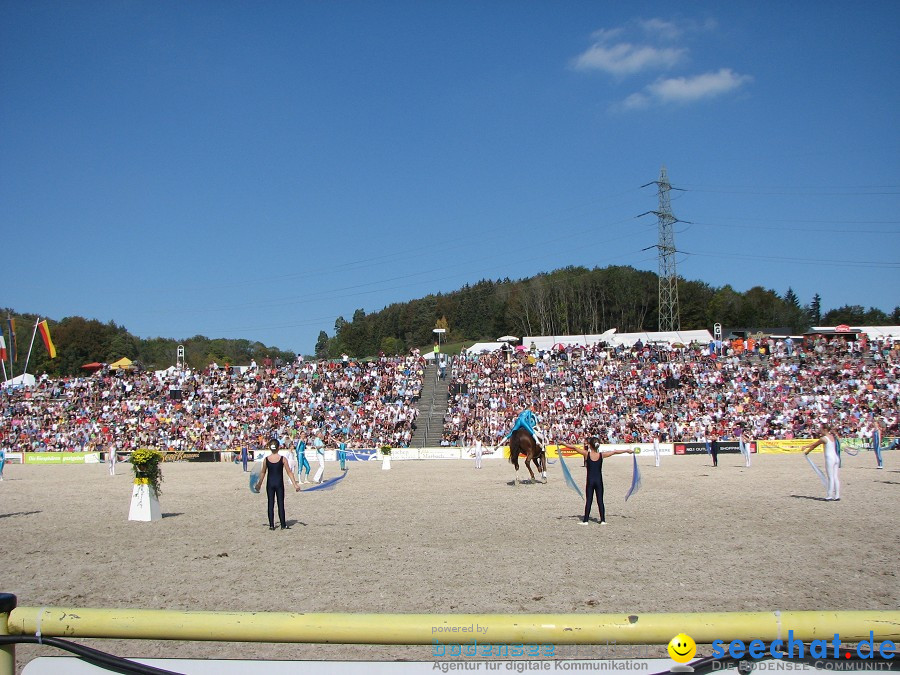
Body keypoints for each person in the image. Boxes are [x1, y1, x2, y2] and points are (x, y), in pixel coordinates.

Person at [568, 436, 634, 525]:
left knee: (589, 500)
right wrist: (627, 450)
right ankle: (603, 520)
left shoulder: (587, 454)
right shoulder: (601, 455)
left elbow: (574, 448)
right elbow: (614, 452)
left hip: (590, 481)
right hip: (599, 481)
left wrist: (563, 443)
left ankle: (586, 520)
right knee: (600, 500)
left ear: (590, 446)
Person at [255, 438, 300, 530]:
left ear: (270, 448)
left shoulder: (266, 459)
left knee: (270, 504)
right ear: (279, 447)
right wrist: (295, 484)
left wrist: (259, 484)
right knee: (281, 504)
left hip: (270, 484)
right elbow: (289, 472)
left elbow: (263, 472)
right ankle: (283, 525)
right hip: (279, 484)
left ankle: (271, 525)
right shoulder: (283, 459)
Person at [804, 425, 841, 501]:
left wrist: (806, 449)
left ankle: (830, 495)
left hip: (830, 459)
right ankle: (837, 495)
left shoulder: (824, 438)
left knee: (830, 477)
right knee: (835, 477)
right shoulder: (832, 437)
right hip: (836, 458)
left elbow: (814, 445)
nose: (820, 431)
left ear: (825, 429)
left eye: (821, 429)